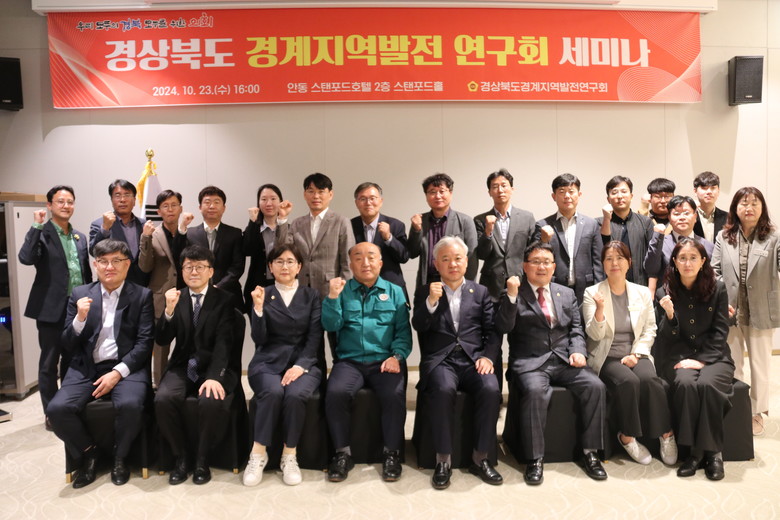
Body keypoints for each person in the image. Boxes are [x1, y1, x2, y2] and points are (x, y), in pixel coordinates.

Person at [494, 241, 607, 485]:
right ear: (525, 266)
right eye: (536, 262)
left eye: (546, 262)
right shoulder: (514, 292)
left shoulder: (565, 293)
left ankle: (591, 453)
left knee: (595, 386)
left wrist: (578, 351)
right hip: (530, 362)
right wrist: (511, 296)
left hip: (564, 359)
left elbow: (576, 328)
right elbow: (503, 327)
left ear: (554, 266)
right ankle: (535, 458)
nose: (542, 267)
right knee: (535, 392)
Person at [47, 239, 154, 488]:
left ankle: (120, 457)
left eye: (116, 261)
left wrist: (117, 373)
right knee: (56, 409)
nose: (109, 267)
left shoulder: (142, 295)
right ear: (95, 265)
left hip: (125, 367)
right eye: (103, 261)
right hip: (86, 366)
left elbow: (144, 343)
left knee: (130, 405)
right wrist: (79, 318)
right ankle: (90, 453)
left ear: (127, 264)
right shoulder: (80, 294)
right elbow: (67, 343)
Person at [412, 236, 502, 490]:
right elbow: (419, 325)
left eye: (458, 258)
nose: (453, 264)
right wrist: (430, 302)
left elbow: (492, 330)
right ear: (436, 264)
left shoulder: (480, 291)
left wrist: (487, 356)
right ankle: (443, 460)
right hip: (442, 360)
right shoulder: (426, 291)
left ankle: (481, 458)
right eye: (446, 259)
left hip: (473, 359)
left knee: (491, 389)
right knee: (442, 390)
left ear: (466, 262)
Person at [321, 242, 412, 483]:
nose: (365, 263)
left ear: (380, 263)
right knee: (336, 393)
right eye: (358, 258)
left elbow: (403, 332)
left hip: (384, 360)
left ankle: (391, 453)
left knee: (394, 395)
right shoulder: (341, 291)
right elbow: (330, 325)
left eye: (371, 257)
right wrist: (332, 298)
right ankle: (342, 454)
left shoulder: (395, 291)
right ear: (350, 265)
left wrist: (397, 357)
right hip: (349, 362)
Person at [582, 241, 677, 466]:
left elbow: (650, 329)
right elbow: (594, 335)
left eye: (620, 258)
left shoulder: (642, 292)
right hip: (607, 355)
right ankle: (627, 437)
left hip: (636, 352)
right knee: (628, 382)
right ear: (603, 264)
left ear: (629, 262)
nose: (614, 263)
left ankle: (666, 434)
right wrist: (600, 311)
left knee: (650, 380)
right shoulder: (592, 293)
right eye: (609, 259)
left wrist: (637, 354)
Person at [154, 245, 238, 485]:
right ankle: (181, 457)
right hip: (183, 365)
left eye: (200, 267)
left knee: (211, 401)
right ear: (182, 271)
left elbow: (224, 344)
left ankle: (202, 459)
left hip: (213, 365)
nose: (193, 272)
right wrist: (168, 311)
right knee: (162, 399)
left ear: (211, 272)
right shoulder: (176, 297)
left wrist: (214, 377)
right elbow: (162, 340)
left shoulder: (224, 300)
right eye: (189, 267)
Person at [243, 244, 323, 487]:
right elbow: (259, 339)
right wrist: (258, 308)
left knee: (296, 395)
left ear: (299, 267)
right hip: (267, 361)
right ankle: (258, 454)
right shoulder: (263, 293)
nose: (284, 266)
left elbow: (314, 338)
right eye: (278, 261)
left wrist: (300, 366)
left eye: (290, 261)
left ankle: (289, 455)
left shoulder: (311, 295)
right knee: (273, 392)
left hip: (303, 363)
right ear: (270, 267)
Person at [656, 238, 734, 480]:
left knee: (708, 385)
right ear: (674, 261)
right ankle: (692, 452)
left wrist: (702, 361)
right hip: (680, 356)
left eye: (693, 258)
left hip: (715, 355)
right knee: (686, 384)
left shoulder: (718, 288)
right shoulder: (664, 292)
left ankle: (709, 454)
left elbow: (720, 331)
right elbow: (665, 339)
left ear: (703, 261)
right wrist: (670, 316)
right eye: (682, 258)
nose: (687, 263)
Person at [18, 185, 92, 422]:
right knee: (49, 363)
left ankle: (67, 406)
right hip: (50, 309)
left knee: (73, 360)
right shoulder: (42, 232)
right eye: (60, 201)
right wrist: (36, 225)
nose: (66, 206)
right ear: (49, 205)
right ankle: (51, 412)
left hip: (77, 309)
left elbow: (85, 273)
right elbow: (26, 258)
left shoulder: (79, 236)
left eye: (70, 202)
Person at [711, 187, 780, 436]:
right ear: (735, 208)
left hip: (761, 308)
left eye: (754, 203)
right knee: (733, 363)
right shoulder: (724, 236)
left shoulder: (774, 237)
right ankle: (738, 407)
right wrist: (721, 297)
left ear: (762, 208)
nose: (749, 208)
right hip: (730, 309)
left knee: (760, 364)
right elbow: (714, 270)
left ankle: (757, 412)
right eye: (743, 203)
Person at [138, 189, 187, 387]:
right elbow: (144, 267)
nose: (170, 209)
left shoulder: (188, 233)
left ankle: (185, 385)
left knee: (188, 344)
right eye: (165, 206)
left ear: (180, 208)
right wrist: (145, 238)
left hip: (186, 296)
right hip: (160, 299)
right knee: (160, 349)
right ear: (158, 211)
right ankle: (159, 387)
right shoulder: (153, 235)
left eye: (174, 205)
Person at [279, 172, 354, 298]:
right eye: (311, 191)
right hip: (301, 289)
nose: (316, 196)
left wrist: (343, 292)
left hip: (330, 291)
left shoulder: (341, 222)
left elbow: (348, 262)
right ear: (304, 194)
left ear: (330, 194)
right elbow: (282, 250)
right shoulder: (297, 223)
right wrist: (282, 218)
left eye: (321, 191)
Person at [535, 173, 604, 304]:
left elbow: (598, 262)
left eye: (571, 191)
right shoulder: (542, 225)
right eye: (562, 192)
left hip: (586, 289)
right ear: (554, 196)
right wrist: (543, 240)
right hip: (554, 288)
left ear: (579, 194)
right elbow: (535, 259)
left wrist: (599, 289)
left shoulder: (592, 224)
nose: (567, 196)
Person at [408, 173, 478, 294]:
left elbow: (472, 259)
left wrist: (468, 287)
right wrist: (416, 230)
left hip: (456, 284)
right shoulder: (420, 221)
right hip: (428, 282)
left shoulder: (465, 221)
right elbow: (412, 253)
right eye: (432, 192)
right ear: (426, 196)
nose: (437, 196)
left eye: (442, 191)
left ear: (450, 193)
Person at [474, 169, 536, 301]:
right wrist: (488, 231)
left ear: (512, 189)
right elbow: (481, 254)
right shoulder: (480, 220)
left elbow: (532, 251)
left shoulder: (527, 217)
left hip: (520, 280)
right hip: (491, 283)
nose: (500, 190)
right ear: (489, 192)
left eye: (504, 185)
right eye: (495, 187)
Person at [184, 186, 245, 310]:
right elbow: (184, 264)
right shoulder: (189, 234)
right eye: (207, 202)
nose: (212, 206)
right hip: (197, 293)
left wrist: (218, 287)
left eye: (216, 202)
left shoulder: (235, 233)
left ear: (224, 208)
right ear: (200, 207)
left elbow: (237, 267)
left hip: (228, 293)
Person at [644, 195, 714, 299]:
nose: (682, 217)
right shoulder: (660, 243)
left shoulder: (708, 246)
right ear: (669, 218)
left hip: (701, 300)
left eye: (686, 213)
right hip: (668, 300)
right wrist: (657, 237)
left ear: (695, 217)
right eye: (676, 214)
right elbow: (650, 268)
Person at [351, 182, 410, 301]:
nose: (368, 203)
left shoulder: (395, 225)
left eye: (372, 198)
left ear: (381, 201)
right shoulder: (349, 226)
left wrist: (389, 238)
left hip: (390, 288)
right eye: (363, 199)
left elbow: (404, 257)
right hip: (359, 289)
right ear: (356, 203)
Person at [243, 184, 293, 312]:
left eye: (273, 199)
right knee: (258, 322)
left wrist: (282, 219)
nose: (269, 203)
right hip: (257, 287)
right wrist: (252, 222)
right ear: (258, 203)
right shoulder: (254, 228)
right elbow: (247, 250)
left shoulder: (290, 229)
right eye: (264, 199)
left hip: (284, 287)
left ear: (281, 202)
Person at [89, 179, 148, 286]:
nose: (122, 200)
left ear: (134, 200)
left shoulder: (144, 225)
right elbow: (94, 251)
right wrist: (105, 228)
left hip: (140, 284)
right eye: (117, 195)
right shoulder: (100, 224)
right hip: (111, 283)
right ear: (112, 200)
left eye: (127, 195)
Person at [597, 175, 655, 286]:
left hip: (639, 284)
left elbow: (653, 258)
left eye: (624, 192)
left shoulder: (645, 222)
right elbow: (602, 249)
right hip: (609, 285)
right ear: (608, 199)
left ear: (631, 196)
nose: (620, 196)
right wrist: (606, 219)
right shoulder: (598, 223)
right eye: (614, 192)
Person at [692, 171, 727, 243]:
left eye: (713, 188)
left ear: (718, 191)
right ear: (695, 191)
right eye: (704, 188)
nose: (709, 192)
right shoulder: (689, 217)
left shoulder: (729, 218)